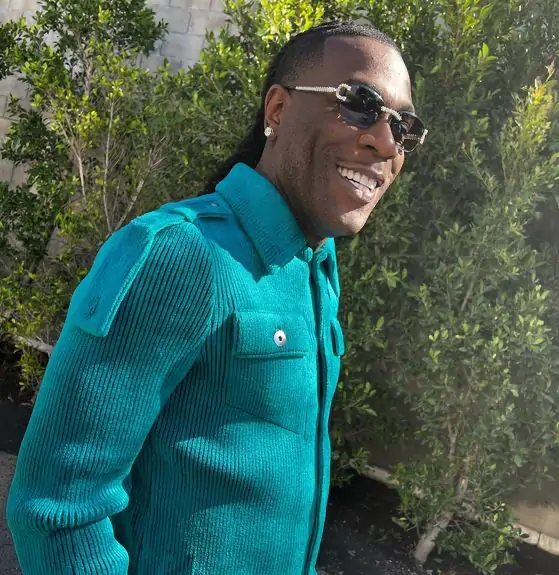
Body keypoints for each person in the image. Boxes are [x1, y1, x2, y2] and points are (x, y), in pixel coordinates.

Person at [7, 20, 426, 575]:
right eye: (359, 104)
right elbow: (59, 509)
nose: (385, 141)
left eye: (403, 126)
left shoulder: (314, 266)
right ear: (278, 110)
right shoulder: (178, 253)